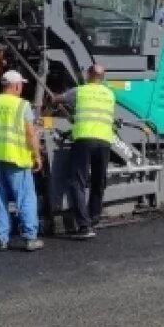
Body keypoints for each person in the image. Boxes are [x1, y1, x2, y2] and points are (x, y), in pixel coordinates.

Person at [0, 71, 44, 251]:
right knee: (25, 198)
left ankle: (1, 238)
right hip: (17, 159)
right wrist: (37, 155)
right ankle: (29, 237)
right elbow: (30, 133)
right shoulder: (23, 105)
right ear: (17, 86)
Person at [59, 64, 115, 240]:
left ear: (88, 74)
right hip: (104, 141)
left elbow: (58, 99)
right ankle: (94, 217)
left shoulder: (79, 91)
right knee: (99, 180)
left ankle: (84, 225)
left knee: (77, 181)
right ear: (103, 77)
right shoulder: (109, 94)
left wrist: (54, 97)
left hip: (84, 139)